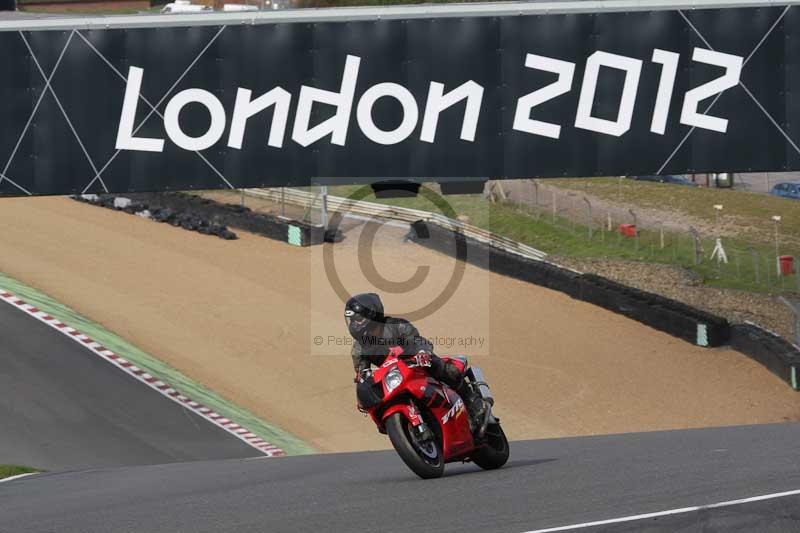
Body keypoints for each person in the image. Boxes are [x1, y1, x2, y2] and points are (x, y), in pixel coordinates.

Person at [344, 292, 486, 429]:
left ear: (372, 315)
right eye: (351, 320)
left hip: (416, 364)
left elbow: (417, 340)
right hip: (394, 379)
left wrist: (422, 352)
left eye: (357, 319)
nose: (354, 324)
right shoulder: (358, 349)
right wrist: (363, 391)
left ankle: (473, 401)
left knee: (445, 369)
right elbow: (362, 374)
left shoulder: (396, 326)